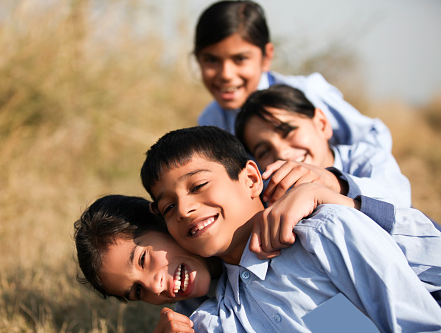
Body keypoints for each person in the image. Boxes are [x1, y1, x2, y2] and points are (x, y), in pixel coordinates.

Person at [140, 125, 441, 332]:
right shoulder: (218, 318)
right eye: (168, 207)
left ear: (251, 180)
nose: (183, 209)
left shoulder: (325, 232)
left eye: (199, 185)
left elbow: (416, 322)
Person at [74, 188, 441, 332]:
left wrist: (329, 194)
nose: (154, 284)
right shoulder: (209, 316)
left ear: (163, 221)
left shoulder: (299, 229)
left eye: (143, 259)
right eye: (137, 292)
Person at [194, 0, 391, 152]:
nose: (226, 74)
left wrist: (338, 181)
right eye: (211, 60)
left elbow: (375, 137)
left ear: (266, 56)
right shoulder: (210, 121)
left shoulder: (307, 93)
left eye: (240, 59)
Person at [233, 84, 411, 208]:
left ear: (322, 123)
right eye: (264, 151)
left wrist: (333, 183)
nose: (282, 153)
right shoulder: (268, 198)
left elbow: (399, 206)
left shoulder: (368, 159)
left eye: (288, 131)